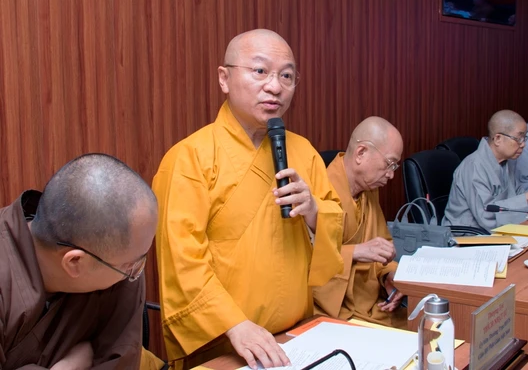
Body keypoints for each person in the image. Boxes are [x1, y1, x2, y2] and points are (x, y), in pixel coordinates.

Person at [153, 29, 344, 370]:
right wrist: (233, 324)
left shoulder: (304, 151)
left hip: (295, 337)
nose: (275, 87)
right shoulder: (189, 158)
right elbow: (181, 261)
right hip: (224, 345)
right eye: (260, 71)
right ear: (224, 78)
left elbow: (334, 223)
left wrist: (315, 211)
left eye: (286, 76)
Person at [0, 153, 158, 369]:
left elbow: (120, 360)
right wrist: (69, 366)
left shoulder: (122, 261)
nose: (137, 270)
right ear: (75, 262)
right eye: (132, 267)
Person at [313, 117, 406, 328]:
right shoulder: (318, 191)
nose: (391, 174)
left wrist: (389, 275)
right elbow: (305, 262)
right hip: (335, 311)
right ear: (361, 153)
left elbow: (381, 245)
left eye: (395, 166)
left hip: (374, 305)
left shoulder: (369, 189)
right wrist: (355, 252)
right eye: (389, 164)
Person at [442, 110, 528, 232]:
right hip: (469, 236)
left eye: (525, 138)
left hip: (501, 229)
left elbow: (521, 197)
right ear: (498, 139)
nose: (523, 144)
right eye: (518, 139)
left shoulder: (508, 161)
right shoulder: (474, 167)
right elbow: (487, 217)